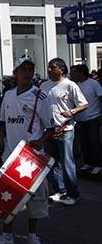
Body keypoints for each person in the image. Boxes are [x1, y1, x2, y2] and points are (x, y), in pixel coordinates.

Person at [0, 57, 54, 244]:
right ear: (15, 73)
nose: (27, 73)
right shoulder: (7, 95)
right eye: (23, 69)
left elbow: (50, 128)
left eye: (30, 69)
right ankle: (7, 236)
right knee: (7, 199)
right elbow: (3, 123)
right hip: (10, 156)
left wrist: (39, 142)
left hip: (32, 158)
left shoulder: (41, 97)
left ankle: (32, 236)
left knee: (35, 199)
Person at [41, 58, 89, 207]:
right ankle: (60, 190)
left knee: (67, 162)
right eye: (48, 67)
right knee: (53, 162)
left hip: (65, 129)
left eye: (52, 67)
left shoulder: (70, 85)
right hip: (49, 130)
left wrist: (72, 111)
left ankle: (73, 193)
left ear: (61, 69)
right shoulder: (43, 85)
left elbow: (84, 104)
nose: (49, 70)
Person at [70, 64, 102, 175]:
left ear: (81, 73)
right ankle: (88, 162)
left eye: (74, 72)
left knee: (94, 140)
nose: (72, 75)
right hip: (80, 119)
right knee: (84, 142)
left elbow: (100, 97)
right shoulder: (75, 85)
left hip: (93, 117)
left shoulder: (94, 84)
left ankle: (98, 164)